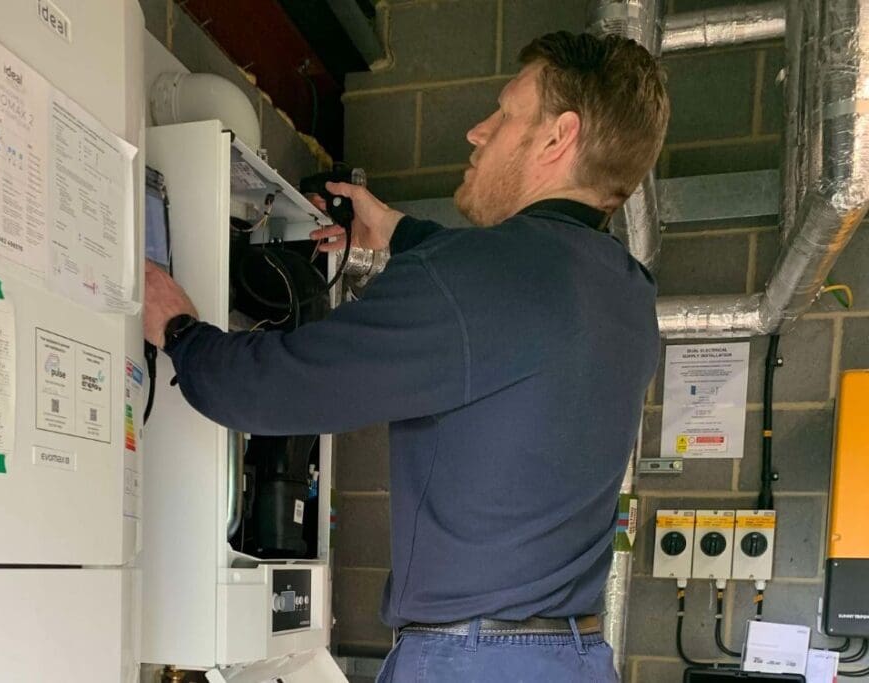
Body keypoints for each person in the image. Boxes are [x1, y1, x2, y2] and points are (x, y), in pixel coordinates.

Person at [144, 30, 669, 683]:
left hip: (472, 666)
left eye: (505, 114)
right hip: (575, 659)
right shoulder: (627, 292)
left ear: (559, 137)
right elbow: (506, 283)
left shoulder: (479, 278)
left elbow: (271, 390)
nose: (478, 132)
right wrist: (396, 230)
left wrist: (179, 329)